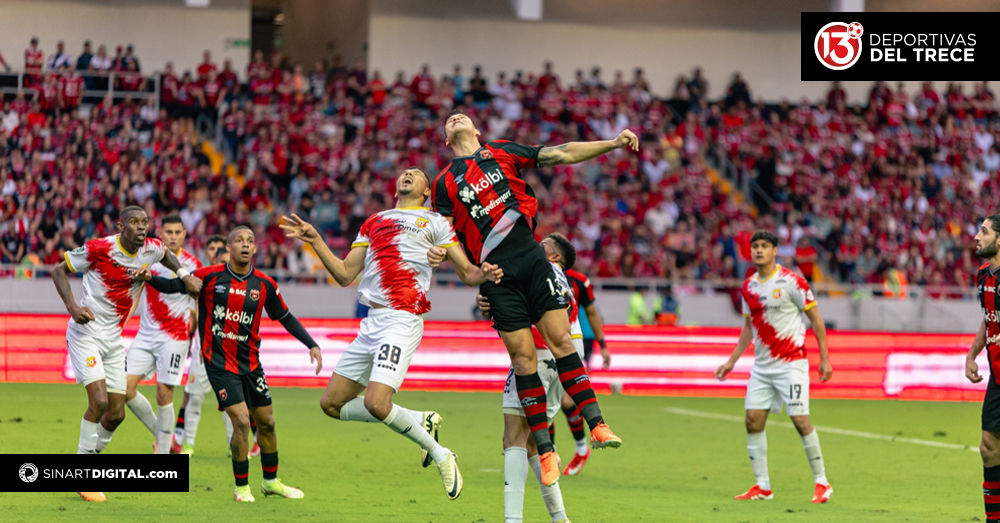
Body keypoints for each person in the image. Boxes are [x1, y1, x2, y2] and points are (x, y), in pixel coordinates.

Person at [429, 112, 635, 485]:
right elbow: (444, 238)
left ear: (478, 130)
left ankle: (598, 424)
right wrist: (458, 267)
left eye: (463, 117)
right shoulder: (442, 184)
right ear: (446, 139)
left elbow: (562, 153)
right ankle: (547, 450)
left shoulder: (502, 151)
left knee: (561, 342)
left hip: (531, 256)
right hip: (497, 275)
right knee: (523, 359)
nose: (455, 117)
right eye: (449, 119)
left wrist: (612, 144)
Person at [280, 168, 503, 500]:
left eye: (416, 173)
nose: (408, 173)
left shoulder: (436, 222)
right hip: (371, 321)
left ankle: (442, 455)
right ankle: (419, 419)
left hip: (402, 319)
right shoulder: (375, 220)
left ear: (427, 190)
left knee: (376, 402)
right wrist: (315, 240)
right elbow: (344, 275)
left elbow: (468, 272)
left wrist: (483, 271)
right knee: (331, 404)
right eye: (405, 171)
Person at [138, 226, 321, 502]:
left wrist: (311, 344)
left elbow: (285, 316)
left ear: (255, 249)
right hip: (220, 363)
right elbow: (174, 286)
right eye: (239, 241)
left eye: (250, 241)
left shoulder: (264, 284)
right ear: (229, 247)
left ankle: (271, 482)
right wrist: (150, 277)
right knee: (241, 421)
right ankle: (242, 487)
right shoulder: (209, 277)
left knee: (268, 423)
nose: (245, 245)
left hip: (251, 364)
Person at [52, 206, 202, 502]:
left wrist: (184, 276)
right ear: (121, 227)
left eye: (145, 222)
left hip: (114, 340)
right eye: (134, 222)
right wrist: (72, 307)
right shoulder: (100, 248)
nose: (141, 227)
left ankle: (89, 456)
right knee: (99, 401)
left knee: (117, 413)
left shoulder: (151, 249)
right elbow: (59, 269)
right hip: (87, 334)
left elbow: (167, 256)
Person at [715, 230, 833, 503]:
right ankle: (763, 486)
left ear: (775, 251)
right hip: (763, 367)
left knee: (800, 421)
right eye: (755, 246)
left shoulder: (793, 282)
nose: (758, 250)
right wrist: (732, 361)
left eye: (764, 246)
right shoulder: (749, 287)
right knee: (752, 421)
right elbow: (748, 327)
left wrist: (824, 357)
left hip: (791, 364)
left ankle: (822, 482)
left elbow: (816, 320)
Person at [479, 233, 581, 523]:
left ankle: (513, 520)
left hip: (534, 359)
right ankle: (560, 518)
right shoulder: (562, 281)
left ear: (555, 255)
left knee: (513, 436)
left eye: (545, 243)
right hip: (558, 363)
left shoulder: (540, 271)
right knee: (537, 441)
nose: (538, 244)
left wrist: (493, 298)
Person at [123, 214, 202, 454]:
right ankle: (164, 435)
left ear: (184, 234)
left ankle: (164, 450)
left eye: (178, 233)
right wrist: (119, 326)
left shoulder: (193, 265)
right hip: (146, 334)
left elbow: (197, 307)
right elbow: (135, 296)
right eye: (169, 232)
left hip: (175, 336)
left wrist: (194, 339)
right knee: (123, 388)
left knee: (163, 392)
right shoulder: (147, 259)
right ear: (160, 233)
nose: (173, 237)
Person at [556, 240, 609, 476]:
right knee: (546, 403)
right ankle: (550, 453)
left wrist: (603, 345)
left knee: (566, 401)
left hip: (571, 343)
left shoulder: (579, 281)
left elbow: (592, 312)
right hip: (542, 344)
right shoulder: (534, 271)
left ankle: (580, 449)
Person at [171, 234, 227, 455]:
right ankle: (185, 441)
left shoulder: (238, 280)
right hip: (202, 348)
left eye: (218, 248)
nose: (214, 252)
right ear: (206, 252)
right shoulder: (198, 277)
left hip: (227, 350)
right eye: (211, 248)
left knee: (232, 400)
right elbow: (194, 315)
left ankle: (246, 443)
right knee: (191, 395)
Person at [965, 215, 1000, 523]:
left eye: (984, 231)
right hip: (998, 378)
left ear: (999, 240)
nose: (976, 236)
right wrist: (972, 354)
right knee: (989, 447)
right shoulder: (982, 276)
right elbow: (988, 317)